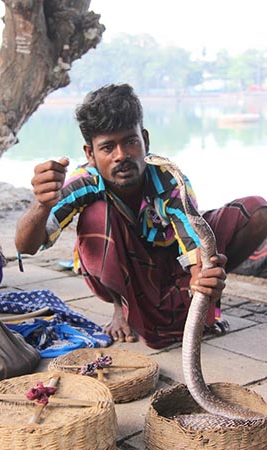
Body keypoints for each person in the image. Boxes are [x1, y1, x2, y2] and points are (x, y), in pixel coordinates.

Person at [15, 83, 267, 349]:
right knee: (95, 216)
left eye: (130, 142)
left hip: (171, 263)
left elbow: (192, 240)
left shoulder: (167, 177)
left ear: (145, 140)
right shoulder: (83, 183)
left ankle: (195, 303)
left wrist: (201, 280)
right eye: (108, 148)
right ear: (90, 154)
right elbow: (26, 246)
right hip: (123, 267)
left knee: (257, 212)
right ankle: (120, 307)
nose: (121, 155)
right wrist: (42, 204)